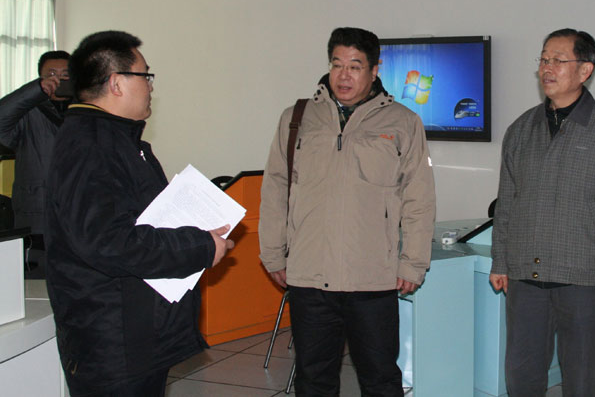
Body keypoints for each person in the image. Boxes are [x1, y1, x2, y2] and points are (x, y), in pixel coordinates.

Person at [44, 30, 234, 397]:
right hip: (113, 341)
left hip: (134, 333)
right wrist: (198, 247)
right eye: (145, 75)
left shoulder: (116, 140)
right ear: (116, 83)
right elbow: (109, 241)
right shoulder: (91, 146)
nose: (150, 86)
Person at [259, 27, 436, 396]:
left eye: (355, 66)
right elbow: (275, 187)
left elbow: (419, 200)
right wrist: (273, 253)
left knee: (380, 379)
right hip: (310, 276)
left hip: (372, 280)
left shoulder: (402, 123)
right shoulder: (297, 118)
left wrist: (413, 263)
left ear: (374, 70)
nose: (344, 75)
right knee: (313, 379)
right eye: (337, 64)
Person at [489, 28, 595, 397]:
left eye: (558, 60)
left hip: (584, 277)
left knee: (581, 378)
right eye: (543, 59)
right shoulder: (521, 129)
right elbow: (507, 201)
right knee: (522, 376)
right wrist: (500, 260)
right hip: (526, 276)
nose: (547, 68)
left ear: (585, 70)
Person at [0, 50, 70, 276]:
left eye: (66, 74)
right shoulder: (27, 113)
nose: (59, 79)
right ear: (40, 77)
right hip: (36, 221)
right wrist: (35, 91)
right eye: (52, 73)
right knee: (37, 287)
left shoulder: (87, 112)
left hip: (78, 222)